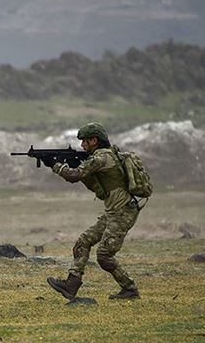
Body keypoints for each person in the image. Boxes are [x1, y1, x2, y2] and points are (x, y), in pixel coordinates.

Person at [45, 122, 142, 301]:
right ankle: (71, 285)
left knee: (104, 256)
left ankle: (130, 289)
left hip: (122, 212)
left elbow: (73, 176)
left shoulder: (101, 158)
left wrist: (54, 165)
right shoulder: (103, 155)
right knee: (83, 243)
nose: (82, 146)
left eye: (85, 142)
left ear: (94, 140)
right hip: (114, 212)